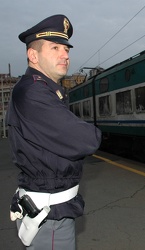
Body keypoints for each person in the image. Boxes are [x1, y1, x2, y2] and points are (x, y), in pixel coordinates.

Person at [6, 14, 101, 249]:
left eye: (66, 49)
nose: (65, 55)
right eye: (55, 47)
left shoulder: (45, 90)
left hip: (52, 209)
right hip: (49, 217)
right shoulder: (34, 92)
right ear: (33, 55)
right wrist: (88, 132)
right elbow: (87, 140)